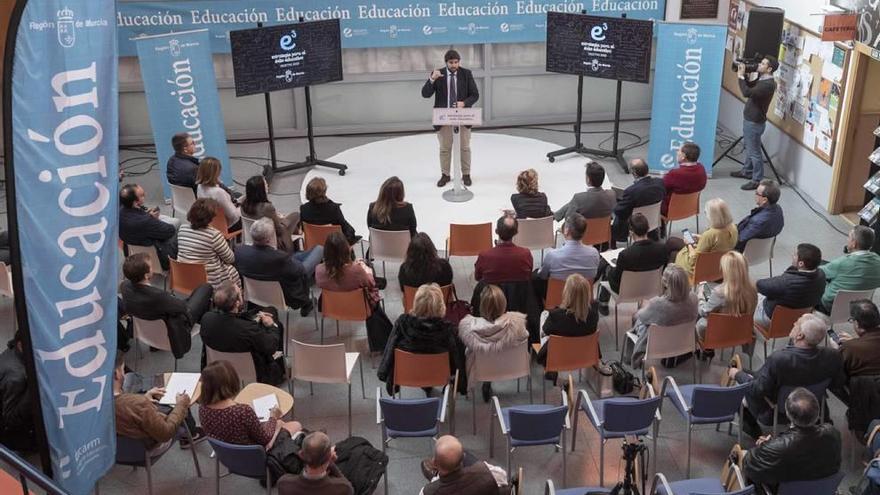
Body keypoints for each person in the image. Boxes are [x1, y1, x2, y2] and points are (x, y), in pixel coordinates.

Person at [726, 314, 846, 438]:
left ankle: (751, 427)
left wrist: (737, 374)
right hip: (810, 406)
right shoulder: (834, 356)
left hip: (774, 411)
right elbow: (837, 384)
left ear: (800, 335)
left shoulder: (779, 359)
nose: (793, 324)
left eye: (797, 324)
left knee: (739, 378)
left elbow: (758, 389)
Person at [741, 388, 841, 495]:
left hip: (786, 490)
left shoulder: (779, 448)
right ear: (817, 413)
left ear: (788, 414)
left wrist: (764, 448)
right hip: (821, 490)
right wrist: (771, 446)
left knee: (741, 454)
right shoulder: (832, 433)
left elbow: (748, 464)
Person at [120, 253, 213, 359]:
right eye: (151, 267)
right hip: (174, 328)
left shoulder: (125, 287)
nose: (153, 268)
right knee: (206, 288)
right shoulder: (158, 296)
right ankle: (209, 323)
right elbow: (183, 308)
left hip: (145, 331)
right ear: (146, 275)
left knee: (193, 300)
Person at [378, 284, 464, 396]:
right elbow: (457, 358)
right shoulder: (448, 329)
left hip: (409, 373)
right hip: (439, 374)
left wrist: (384, 373)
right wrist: (462, 381)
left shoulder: (402, 323)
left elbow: (390, 350)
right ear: (440, 306)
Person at [199, 361, 301, 450]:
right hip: (256, 456)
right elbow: (265, 439)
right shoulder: (242, 412)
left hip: (226, 455)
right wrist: (273, 417)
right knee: (294, 425)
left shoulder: (202, 408)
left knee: (279, 424)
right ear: (232, 382)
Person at [199, 281, 286, 385]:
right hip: (254, 372)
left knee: (270, 310)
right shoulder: (249, 330)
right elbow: (271, 346)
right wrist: (271, 326)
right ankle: (280, 372)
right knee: (277, 324)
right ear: (237, 303)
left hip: (218, 368)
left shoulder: (206, 319)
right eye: (240, 294)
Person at [235, 218, 322, 316]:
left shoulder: (240, 251)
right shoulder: (280, 258)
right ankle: (307, 302)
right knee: (319, 249)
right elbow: (299, 271)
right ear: (269, 239)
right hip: (287, 294)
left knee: (297, 256)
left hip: (256, 295)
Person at [458, 285, 529, 402]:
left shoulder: (470, 329)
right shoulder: (518, 326)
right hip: (513, 368)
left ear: (481, 305)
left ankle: (486, 383)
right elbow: (525, 338)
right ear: (503, 303)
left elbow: (467, 354)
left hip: (483, 371)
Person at [421, 49, 480, 188]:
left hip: (463, 117)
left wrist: (464, 103)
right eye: (451, 62)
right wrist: (432, 79)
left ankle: (466, 174)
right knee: (444, 149)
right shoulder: (438, 74)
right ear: (446, 62)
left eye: (456, 62)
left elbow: (475, 95)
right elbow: (425, 94)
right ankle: (445, 175)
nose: (454, 65)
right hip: (443, 118)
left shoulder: (466, 74)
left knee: (465, 148)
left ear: (459, 61)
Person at [623, 265, 698, 369]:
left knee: (636, 318)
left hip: (657, 344)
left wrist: (646, 305)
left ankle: (629, 359)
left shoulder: (658, 304)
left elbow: (640, 317)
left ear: (666, 284)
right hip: (683, 341)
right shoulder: (694, 298)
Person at [113, 353, 192, 451]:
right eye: (123, 370)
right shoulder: (139, 404)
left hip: (116, 451)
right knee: (179, 406)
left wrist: (144, 398)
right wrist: (181, 405)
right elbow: (165, 434)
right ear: (116, 373)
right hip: (146, 448)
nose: (124, 373)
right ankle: (191, 434)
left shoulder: (94, 404)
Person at [597, 213, 668, 312]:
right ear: (648, 229)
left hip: (627, 291)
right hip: (652, 288)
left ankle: (603, 303)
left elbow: (617, 277)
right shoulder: (662, 249)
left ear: (631, 232)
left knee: (607, 267)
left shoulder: (625, 255)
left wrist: (612, 267)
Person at [695, 252, 757, 355]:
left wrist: (700, 297)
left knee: (697, 315)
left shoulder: (720, 292)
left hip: (718, 332)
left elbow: (703, 312)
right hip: (741, 330)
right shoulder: (752, 289)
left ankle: (705, 349)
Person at [732, 56, 779, 190]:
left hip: (754, 122)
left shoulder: (768, 84)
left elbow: (747, 92)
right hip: (751, 119)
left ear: (769, 69)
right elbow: (751, 86)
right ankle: (746, 171)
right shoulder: (763, 79)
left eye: (763, 64)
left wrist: (741, 77)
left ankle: (757, 179)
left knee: (754, 152)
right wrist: (745, 75)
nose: (759, 65)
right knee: (750, 146)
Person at [753, 243, 825, 328]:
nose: (792, 255)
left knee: (747, 295)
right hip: (800, 320)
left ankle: (743, 332)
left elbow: (759, 285)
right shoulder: (821, 275)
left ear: (801, 263)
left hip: (771, 319)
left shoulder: (787, 283)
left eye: (795, 255)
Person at [537, 274, 599, 367]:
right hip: (584, 356)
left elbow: (545, 331)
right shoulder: (593, 314)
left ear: (567, 293)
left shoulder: (556, 316)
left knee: (544, 315)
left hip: (557, 358)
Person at [177, 198, 240, 289]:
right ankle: (236, 298)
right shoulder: (214, 235)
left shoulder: (182, 229)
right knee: (232, 269)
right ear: (210, 217)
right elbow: (230, 259)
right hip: (209, 282)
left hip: (185, 278)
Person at [818, 225, 880, 313]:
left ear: (854, 243)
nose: (847, 240)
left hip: (829, 306)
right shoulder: (878, 261)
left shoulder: (842, 263)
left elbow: (818, 271)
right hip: (858, 308)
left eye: (849, 237)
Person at [420, 435, 510, 495]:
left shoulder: (427, 492)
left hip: (441, 486)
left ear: (435, 463)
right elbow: (504, 478)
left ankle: (435, 478)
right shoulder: (486, 471)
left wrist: (434, 483)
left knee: (429, 472)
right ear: (463, 457)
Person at [671, 198, 738, 277]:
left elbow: (694, 259)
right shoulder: (733, 227)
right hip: (720, 264)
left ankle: (672, 278)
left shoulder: (710, 234)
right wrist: (700, 237)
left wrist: (689, 244)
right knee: (673, 243)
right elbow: (718, 243)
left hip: (702, 268)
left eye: (706, 213)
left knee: (673, 251)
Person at [119, 183, 178, 270]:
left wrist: (146, 215)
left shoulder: (118, 213)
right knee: (177, 227)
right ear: (135, 203)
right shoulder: (146, 221)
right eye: (142, 195)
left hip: (132, 253)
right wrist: (153, 219)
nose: (145, 195)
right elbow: (170, 231)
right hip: (157, 257)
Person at [316, 231, 381, 307]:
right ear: (346, 250)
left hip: (332, 306)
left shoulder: (319, 270)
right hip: (358, 307)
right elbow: (371, 284)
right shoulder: (357, 271)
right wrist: (367, 271)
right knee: (369, 266)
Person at [278, 432, 354, 495]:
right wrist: (331, 463)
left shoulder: (284, 483)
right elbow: (347, 486)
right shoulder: (342, 488)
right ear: (330, 457)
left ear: (301, 454)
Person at [241, 175, 300, 253]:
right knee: (295, 216)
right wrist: (281, 219)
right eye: (265, 184)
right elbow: (278, 229)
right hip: (269, 236)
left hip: (252, 237)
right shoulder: (266, 207)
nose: (267, 186)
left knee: (288, 223)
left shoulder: (244, 204)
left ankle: (297, 233)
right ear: (260, 189)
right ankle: (291, 250)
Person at [612, 158, 665, 243]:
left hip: (636, 224)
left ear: (634, 173)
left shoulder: (631, 191)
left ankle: (616, 240)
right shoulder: (660, 183)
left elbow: (619, 212)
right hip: (654, 220)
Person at [537, 212, 600, 282]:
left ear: (566, 231)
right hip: (583, 292)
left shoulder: (552, 255)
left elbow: (543, 276)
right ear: (584, 232)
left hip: (557, 292)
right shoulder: (594, 253)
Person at [0, 331, 35, 452]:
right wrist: (33, 390)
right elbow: (10, 420)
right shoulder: (16, 376)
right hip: (13, 440)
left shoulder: (12, 352)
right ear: (21, 345)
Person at [300, 177, 360, 245]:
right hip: (334, 247)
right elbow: (344, 227)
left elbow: (303, 229)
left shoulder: (304, 209)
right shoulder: (333, 209)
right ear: (324, 191)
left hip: (313, 245)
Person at [474, 214, 533, 284]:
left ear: (496, 231)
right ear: (516, 232)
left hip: (494, 293)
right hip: (518, 294)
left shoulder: (485, 255)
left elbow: (477, 277)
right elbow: (528, 274)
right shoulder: (525, 254)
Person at [834, 299, 880, 378]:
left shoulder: (849, 348)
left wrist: (836, 351)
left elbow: (839, 369)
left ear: (857, 323)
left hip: (863, 387)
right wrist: (855, 341)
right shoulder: (852, 345)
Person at [735, 179, 784, 252]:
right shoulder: (778, 209)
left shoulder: (758, 222)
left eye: (756, 193)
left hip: (744, 252)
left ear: (764, 200)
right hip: (764, 251)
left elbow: (739, 240)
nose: (754, 194)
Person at [661, 142, 707, 217]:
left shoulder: (675, 174)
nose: (676, 152)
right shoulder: (701, 169)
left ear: (683, 156)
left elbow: (661, 187)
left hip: (670, 209)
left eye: (678, 150)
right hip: (691, 208)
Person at [196, 157, 241, 232]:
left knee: (238, 195)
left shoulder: (199, 186)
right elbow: (234, 217)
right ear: (216, 173)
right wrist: (242, 208)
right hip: (226, 226)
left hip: (210, 223)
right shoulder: (219, 192)